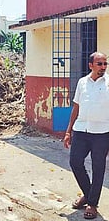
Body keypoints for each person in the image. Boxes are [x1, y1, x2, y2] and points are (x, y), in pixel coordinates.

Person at [63, 51, 109, 219]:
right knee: (75, 162)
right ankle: (88, 194)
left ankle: (92, 204)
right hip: (81, 130)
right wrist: (68, 131)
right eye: (99, 64)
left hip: (102, 133)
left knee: (98, 168)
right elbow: (76, 107)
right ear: (90, 65)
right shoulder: (82, 82)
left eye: (105, 64)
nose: (103, 67)